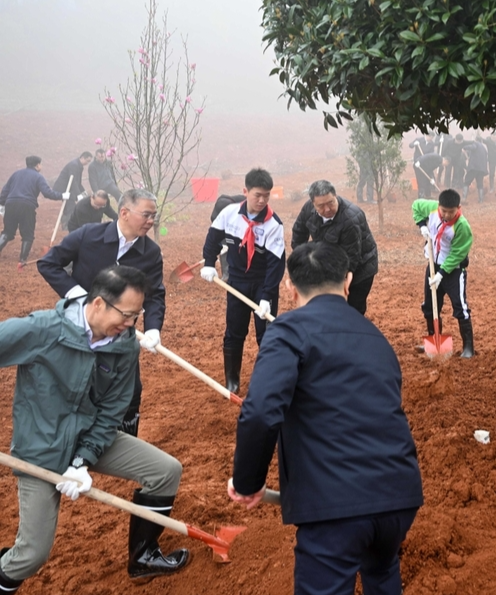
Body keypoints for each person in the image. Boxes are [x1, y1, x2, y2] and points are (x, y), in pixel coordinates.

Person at [228, 243, 423, 595]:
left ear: (289, 287)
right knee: (382, 573)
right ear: (348, 282)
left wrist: (247, 482)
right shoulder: (375, 337)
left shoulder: (288, 330)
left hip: (336, 505)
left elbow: (260, 411)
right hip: (399, 496)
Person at [0, 266, 189, 591]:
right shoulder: (43, 329)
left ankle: (143, 557)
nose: (131, 325)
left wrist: (81, 460)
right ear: (99, 304)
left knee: (165, 471)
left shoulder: (124, 344)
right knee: (32, 555)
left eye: (137, 316)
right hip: (39, 451)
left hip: (90, 436)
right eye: (127, 315)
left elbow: (113, 408)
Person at [38, 188, 165, 437]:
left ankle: (124, 440)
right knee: (72, 383)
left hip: (120, 334)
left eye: (154, 216)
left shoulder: (150, 253)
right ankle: (65, 439)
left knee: (130, 392)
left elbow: (155, 294)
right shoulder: (88, 235)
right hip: (78, 329)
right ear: (125, 213)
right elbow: (48, 263)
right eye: (146, 215)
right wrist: (75, 293)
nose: (151, 221)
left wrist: (152, 328)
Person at [200, 168, 286, 394]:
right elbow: (213, 239)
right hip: (236, 280)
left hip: (262, 282)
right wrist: (209, 262)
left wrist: (267, 296)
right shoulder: (228, 214)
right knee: (234, 330)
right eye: (257, 195)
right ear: (245, 191)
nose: (262, 200)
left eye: (266, 196)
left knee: (266, 334)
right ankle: (232, 381)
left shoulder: (273, 225)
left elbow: (276, 265)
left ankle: (267, 382)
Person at [291, 180, 378, 315]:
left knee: (351, 311)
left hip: (359, 270)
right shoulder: (308, 209)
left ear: (335, 196)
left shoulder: (350, 219)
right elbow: (299, 234)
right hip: (330, 261)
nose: (327, 209)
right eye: (321, 206)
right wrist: (304, 263)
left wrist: (329, 283)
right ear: (313, 204)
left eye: (331, 203)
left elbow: (351, 259)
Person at [413, 189, 475, 358]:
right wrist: (422, 225)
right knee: (430, 304)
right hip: (433, 264)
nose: (446, 215)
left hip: (453, 271)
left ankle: (468, 347)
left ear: (459, 208)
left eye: (451, 211)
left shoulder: (462, 226)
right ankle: (434, 341)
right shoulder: (432, 208)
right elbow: (416, 205)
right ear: (439, 206)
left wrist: (441, 273)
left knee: (460, 306)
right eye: (444, 211)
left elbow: (458, 253)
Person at [0, 155, 67, 264]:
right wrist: (62, 195)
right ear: (37, 165)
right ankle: (22, 259)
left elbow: (5, 190)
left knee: (7, 231)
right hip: (27, 205)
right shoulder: (38, 177)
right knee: (28, 234)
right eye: (40, 164)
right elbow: (47, 193)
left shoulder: (16, 174)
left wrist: (2, 203)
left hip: (11, 204)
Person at [52, 152, 93, 230]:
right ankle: (66, 225)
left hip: (70, 188)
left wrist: (83, 193)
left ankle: (65, 223)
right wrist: (78, 195)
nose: (87, 163)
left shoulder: (79, 166)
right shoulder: (74, 165)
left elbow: (78, 182)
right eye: (87, 161)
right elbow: (73, 181)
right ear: (82, 158)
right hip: (64, 188)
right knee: (71, 206)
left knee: (69, 206)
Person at [211, 193, 247, 283]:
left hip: (241, 224)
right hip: (227, 225)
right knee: (224, 247)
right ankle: (226, 274)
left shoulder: (241, 206)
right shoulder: (216, 217)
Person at [461, 138, 488, 202]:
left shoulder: (476, 144)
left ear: (476, 140)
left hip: (474, 167)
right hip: (482, 169)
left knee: (466, 182)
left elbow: (472, 147)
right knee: (480, 184)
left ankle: (464, 198)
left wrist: (464, 147)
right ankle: (481, 200)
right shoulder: (484, 149)